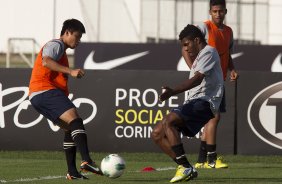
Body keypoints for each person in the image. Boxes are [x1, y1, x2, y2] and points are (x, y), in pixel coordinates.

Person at [28, 19, 103, 180]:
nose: (79, 41)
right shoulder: (57, 45)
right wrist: (71, 71)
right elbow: (46, 62)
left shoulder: (61, 50)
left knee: (70, 128)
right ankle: (86, 160)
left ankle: (72, 172)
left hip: (38, 95)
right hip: (44, 90)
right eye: (77, 36)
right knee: (76, 121)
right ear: (67, 33)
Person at [152, 24, 224, 183]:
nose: (185, 48)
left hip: (205, 102)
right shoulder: (199, 57)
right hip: (194, 102)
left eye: (187, 44)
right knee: (157, 134)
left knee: (168, 121)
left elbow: (197, 80)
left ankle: (184, 167)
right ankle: (186, 167)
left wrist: (172, 92)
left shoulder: (209, 52)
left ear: (197, 40)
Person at [183, 0, 238, 169]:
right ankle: (212, 159)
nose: (218, 14)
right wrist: (194, 68)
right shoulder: (204, 27)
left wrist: (232, 69)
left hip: (218, 80)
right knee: (214, 117)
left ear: (225, 11)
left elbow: (227, 53)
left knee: (210, 119)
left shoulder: (229, 31)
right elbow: (185, 45)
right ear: (210, 12)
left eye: (220, 11)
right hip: (206, 81)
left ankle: (201, 160)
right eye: (215, 11)